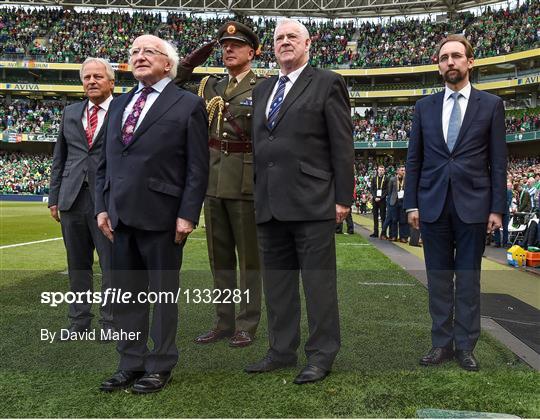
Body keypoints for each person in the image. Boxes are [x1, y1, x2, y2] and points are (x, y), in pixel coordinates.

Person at [95, 35, 209, 393]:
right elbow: (103, 165)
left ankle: (160, 365)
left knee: (161, 297)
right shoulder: (119, 105)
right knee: (126, 296)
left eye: (148, 51)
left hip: (163, 217)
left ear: (168, 63)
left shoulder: (187, 104)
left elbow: (197, 167)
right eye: (134, 52)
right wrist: (101, 207)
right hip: (119, 217)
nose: (139, 57)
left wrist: (188, 214)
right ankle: (130, 362)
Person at [246, 18, 354, 384]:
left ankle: (322, 355)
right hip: (270, 203)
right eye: (279, 38)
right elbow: (261, 147)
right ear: (272, 47)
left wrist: (343, 198)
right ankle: (280, 350)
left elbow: (342, 143)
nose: (285, 42)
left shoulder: (327, 82)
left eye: (293, 36)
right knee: (277, 285)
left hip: (313, 201)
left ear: (308, 43)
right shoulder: (262, 90)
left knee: (318, 285)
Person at [405, 34, 507, 371]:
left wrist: (496, 207)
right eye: (445, 57)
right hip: (432, 205)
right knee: (437, 279)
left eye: (457, 56)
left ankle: (465, 346)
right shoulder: (424, 107)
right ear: (438, 65)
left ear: (470, 62)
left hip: (473, 206)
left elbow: (498, 160)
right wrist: (411, 204)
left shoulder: (491, 105)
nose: (451, 62)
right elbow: (414, 160)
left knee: (467, 279)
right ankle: (440, 343)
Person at [175, 21, 264, 347]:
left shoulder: (262, 86)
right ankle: (223, 322)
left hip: (245, 182)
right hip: (212, 181)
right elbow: (171, 84)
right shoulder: (208, 85)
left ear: (252, 52)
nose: (228, 49)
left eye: (236, 45)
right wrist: (189, 63)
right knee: (220, 258)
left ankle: (247, 323)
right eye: (224, 45)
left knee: (249, 261)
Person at [48, 57, 115, 340]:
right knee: (77, 264)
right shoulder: (71, 112)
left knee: (112, 265)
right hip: (71, 199)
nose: (91, 82)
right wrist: (54, 197)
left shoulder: (123, 112)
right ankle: (78, 322)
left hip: (108, 201)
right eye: (87, 77)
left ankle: (111, 322)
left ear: (111, 82)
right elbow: (59, 158)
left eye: (98, 77)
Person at [387, 165, 409, 243]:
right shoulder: (392, 179)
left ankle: (403, 237)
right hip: (394, 202)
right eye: (402, 170)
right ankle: (393, 236)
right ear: (398, 171)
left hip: (404, 202)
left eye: (404, 170)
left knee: (403, 220)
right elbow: (389, 191)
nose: (403, 172)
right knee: (394, 220)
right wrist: (390, 202)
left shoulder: (407, 179)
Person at [369, 165, 387, 238]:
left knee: (383, 217)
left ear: (384, 171)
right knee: (375, 216)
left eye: (382, 170)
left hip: (382, 200)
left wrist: (381, 197)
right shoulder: (373, 179)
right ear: (377, 170)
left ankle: (383, 233)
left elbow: (387, 190)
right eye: (380, 170)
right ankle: (375, 232)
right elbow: (372, 189)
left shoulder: (386, 179)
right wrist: (375, 197)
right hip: (375, 200)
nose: (381, 171)